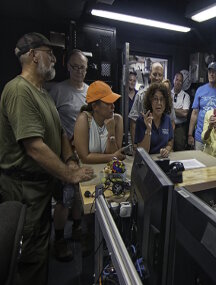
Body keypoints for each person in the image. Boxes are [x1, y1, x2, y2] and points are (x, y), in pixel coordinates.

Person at [0, 32, 94, 285]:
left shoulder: (41, 92)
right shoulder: (19, 91)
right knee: (29, 257)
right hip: (24, 190)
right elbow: (34, 147)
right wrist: (69, 174)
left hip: (40, 187)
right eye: (48, 53)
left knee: (41, 250)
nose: (53, 58)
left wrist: (71, 159)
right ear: (32, 55)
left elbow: (60, 133)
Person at [49, 49, 89, 261]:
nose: (79, 71)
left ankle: (76, 230)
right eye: (75, 67)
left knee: (79, 198)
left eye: (82, 67)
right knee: (65, 199)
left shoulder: (90, 92)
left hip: (84, 154)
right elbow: (50, 125)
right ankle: (58, 240)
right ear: (67, 66)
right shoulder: (57, 91)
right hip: (65, 155)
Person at [74, 80, 126, 163]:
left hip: (110, 171)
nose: (113, 106)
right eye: (108, 103)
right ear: (95, 106)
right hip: (90, 170)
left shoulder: (118, 119)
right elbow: (85, 158)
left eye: (113, 102)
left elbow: (115, 154)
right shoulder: (83, 120)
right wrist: (113, 156)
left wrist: (111, 133)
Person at [128, 62, 176, 147]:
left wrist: (168, 147)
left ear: (163, 77)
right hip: (144, 143)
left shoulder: (167, 97)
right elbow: (133, 123)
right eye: (154, 74)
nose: (157, 78)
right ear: (150, 75)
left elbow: (172, 123)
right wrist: (135, 147)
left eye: (160, 75)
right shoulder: (140, 95)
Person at [188, 61, 216, 151]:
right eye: (210, 72)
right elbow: (194, 113)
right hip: (200, 136)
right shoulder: (200, 90)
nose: (211, 74)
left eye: (214, 72)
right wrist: (190, 134)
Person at [135, 82, 174, 157]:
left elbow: (170, 142)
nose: (159, 103)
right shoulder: (141, 121)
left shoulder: (167, 119)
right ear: (150, 101)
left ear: (166, 103)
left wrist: (167, 150)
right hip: (147, 162)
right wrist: (148, 130)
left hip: (162, 160)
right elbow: (142, 152)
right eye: (155, 99)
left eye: (162, 99)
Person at [172, 72, 190, 151]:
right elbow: (164, 110)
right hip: (168, 126)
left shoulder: (186, 96)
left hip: (180, 129)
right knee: (167, 149)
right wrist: (179, 110)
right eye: (177, 80)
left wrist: (171, 108)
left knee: (180, 150)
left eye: (180, 81)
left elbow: (184, 113)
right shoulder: (167, 93)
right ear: (174, 80)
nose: (178, 82)